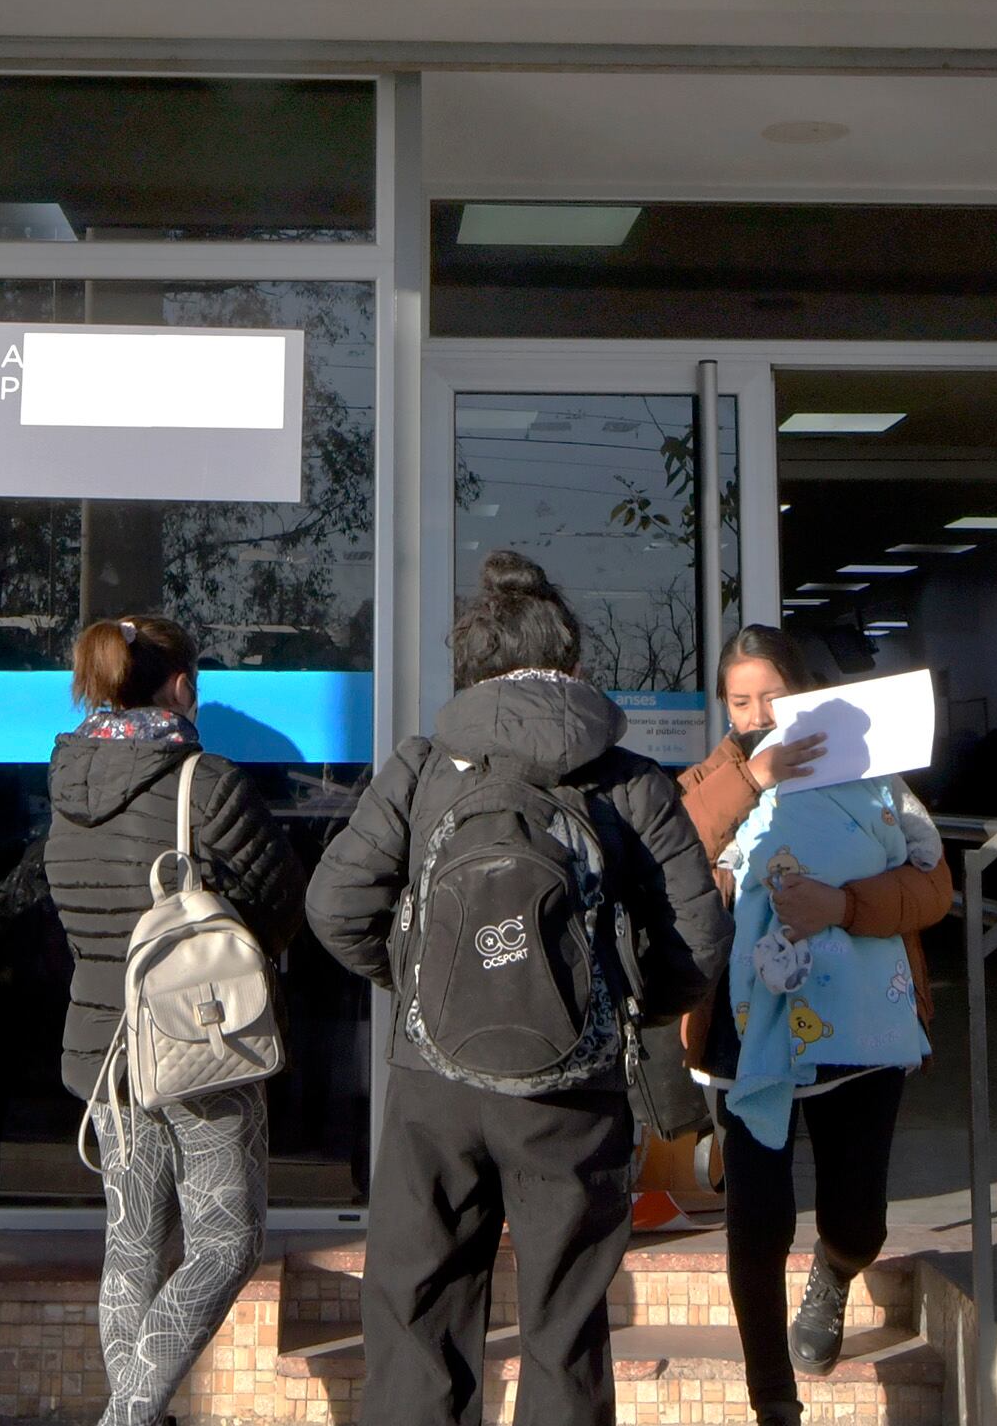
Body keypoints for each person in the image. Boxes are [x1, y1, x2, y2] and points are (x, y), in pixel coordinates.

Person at [305, 551, 727, 1426]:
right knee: (564, 1323)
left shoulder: (421, 768)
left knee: (417, 1309)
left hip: (434, 1086)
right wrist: (621, 1003)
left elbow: (335, 905)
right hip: (572, 1090)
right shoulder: (626, 778)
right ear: (569, 665)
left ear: (471, 673)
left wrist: (421, 981)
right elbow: (700, 934)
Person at [676, 625, 952, 1426]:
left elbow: (931, 890)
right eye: (741, 700)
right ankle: (773, 1401)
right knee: (756, 1221)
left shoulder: (873, 778)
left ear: (806, 696)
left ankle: (835, 1272)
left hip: (861, 1033)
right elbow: (668, 862)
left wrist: (844, 906)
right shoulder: (707, 780)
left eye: (774, 696)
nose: (759, 712)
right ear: (724, 708)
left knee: (855, 1215)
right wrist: (748, 781)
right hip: (741, 1033)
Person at [43, 616, 306, 1426]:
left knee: (131, 1249)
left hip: (103, 1047)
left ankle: (134, 1414)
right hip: (198, 1044)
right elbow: (278, 902)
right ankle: (128, 1418)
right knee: (225, 1246)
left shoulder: (65, 778)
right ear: (181, 683)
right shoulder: (202, 780)